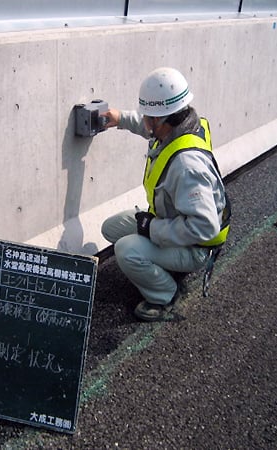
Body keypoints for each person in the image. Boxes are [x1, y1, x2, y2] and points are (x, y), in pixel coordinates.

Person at [100, 67, 230, 322]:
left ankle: (165, 295)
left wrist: (152, 229)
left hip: (196, 246)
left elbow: (205, 227)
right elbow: (147, 127)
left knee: (126, 248)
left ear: (161, 121)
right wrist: (120, 118)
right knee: (111, 229)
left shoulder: (187, 167)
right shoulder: (183, 126)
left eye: (148, 116)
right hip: (172, 223)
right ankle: (163, 265)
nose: (145, 120)